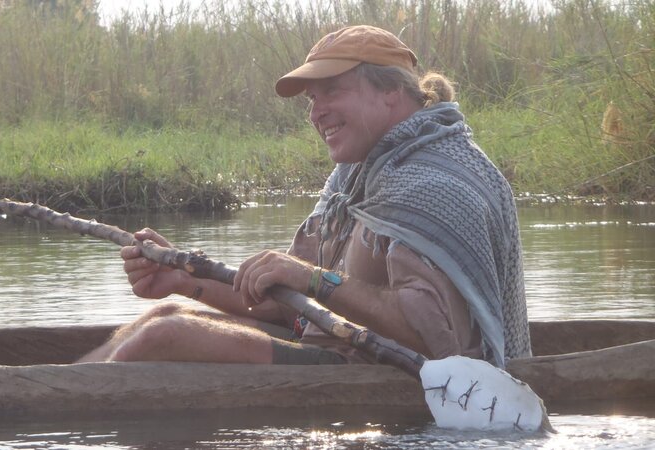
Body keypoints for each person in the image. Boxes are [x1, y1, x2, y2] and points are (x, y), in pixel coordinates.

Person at [78, 25, 532, 368]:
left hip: (400, 376)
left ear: (392, 92)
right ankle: (58, 392)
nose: (317, 113)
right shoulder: (354, 174)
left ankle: (60, 420)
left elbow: (436, 338)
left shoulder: (433, 185)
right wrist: (183, 280)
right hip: (335, 350)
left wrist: (312, 279)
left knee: (165, 337)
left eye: (332, 91)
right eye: (312, 99)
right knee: (166, 314)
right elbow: (290, 306)